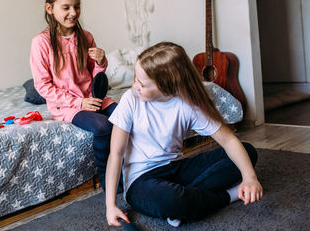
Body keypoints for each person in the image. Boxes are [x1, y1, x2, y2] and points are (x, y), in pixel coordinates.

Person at [105, 42, 263, 227]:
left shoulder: (187, 105)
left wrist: (250, 178)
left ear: (167, 86)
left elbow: (228, 140)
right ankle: (228, 195)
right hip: (141, 180)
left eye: (142, 83)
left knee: (247, 152)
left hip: (176, 168)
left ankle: (186, 201)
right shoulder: (130, 99)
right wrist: (111, 206)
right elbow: (116, 154)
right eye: (136, 79)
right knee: (172, 200)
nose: (135, 86)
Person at [30, 0, 120, 191]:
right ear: (50, 8)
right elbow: (43, 86)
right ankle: (108, 180)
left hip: (93, 97)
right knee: (103, 126)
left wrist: (100, 62)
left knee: (125, 116)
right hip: (68, 105)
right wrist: (79, 102)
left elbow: (95, 76)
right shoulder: (41, 43)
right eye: (66, 7)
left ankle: (131, 169)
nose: (73, 12)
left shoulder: (86, 37)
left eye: (77, 6)